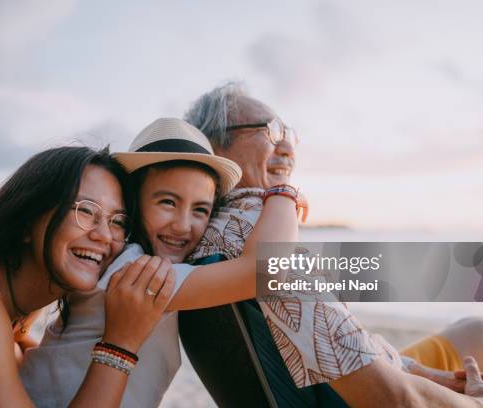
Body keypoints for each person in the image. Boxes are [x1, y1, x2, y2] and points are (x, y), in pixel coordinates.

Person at [180, 81, 483, 407]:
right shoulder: (263, 238)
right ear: (214, 147)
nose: (288, 148)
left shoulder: (208, 232)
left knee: (476, 331)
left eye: (289, 134)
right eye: (271, 131)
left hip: (336, 387)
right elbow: (391, 398)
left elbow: (339, 346)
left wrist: (421, 372)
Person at [20, 117, 302, 407]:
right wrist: (283, 195)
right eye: (167, 202)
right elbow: (265, 271)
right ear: (133, 203)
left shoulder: (108, 259)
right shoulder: (140, 273)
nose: (182, 225)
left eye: (200, 210)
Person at [0, 146, 177, 407]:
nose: (104, 235)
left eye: (117, 221)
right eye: (85, 211)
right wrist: (120, 345)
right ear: (28, 219)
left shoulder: (20, 303)